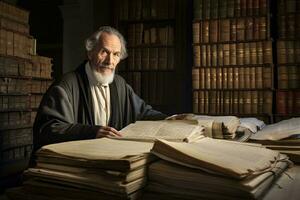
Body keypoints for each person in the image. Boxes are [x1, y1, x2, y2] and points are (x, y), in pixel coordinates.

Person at [33, 26, 167, 152]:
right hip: (78, 161)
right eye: (104, 52)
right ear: (90, 53)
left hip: (109, 156)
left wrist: (172, 118)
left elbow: (143, 112)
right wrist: (92, 132)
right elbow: (48, 129)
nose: (110, 61)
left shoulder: (119, 84)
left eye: (116, 54)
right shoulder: (66, 84)